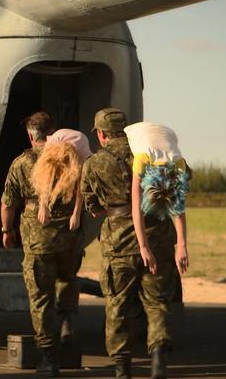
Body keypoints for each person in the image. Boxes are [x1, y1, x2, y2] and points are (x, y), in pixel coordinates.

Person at [80, 108, 179, 379]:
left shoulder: (93, 163)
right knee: (156, 301)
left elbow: (93, 207)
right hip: (157, 235)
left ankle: (123, 369)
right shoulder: (149, 152)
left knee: (117, 304)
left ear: (101, 134)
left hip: (119, 243)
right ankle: (158, 357)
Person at [1, 112, 83, 377]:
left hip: (38, 239)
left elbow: (8, 202)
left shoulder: (22, 163)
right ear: (54, 132)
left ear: (30, 136)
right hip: (70, 235)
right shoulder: (70, 157)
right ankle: (68, 324)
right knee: (68, 279)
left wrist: (5, 230)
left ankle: (49, 357)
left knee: (41, 296)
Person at [124, 121, 191, 278]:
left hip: (169, 133)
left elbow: (179, 210)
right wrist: (144, 247)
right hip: (136, 131)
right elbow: (136, 206)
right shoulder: (141, 159)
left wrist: (182, 246)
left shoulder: (179, 164)